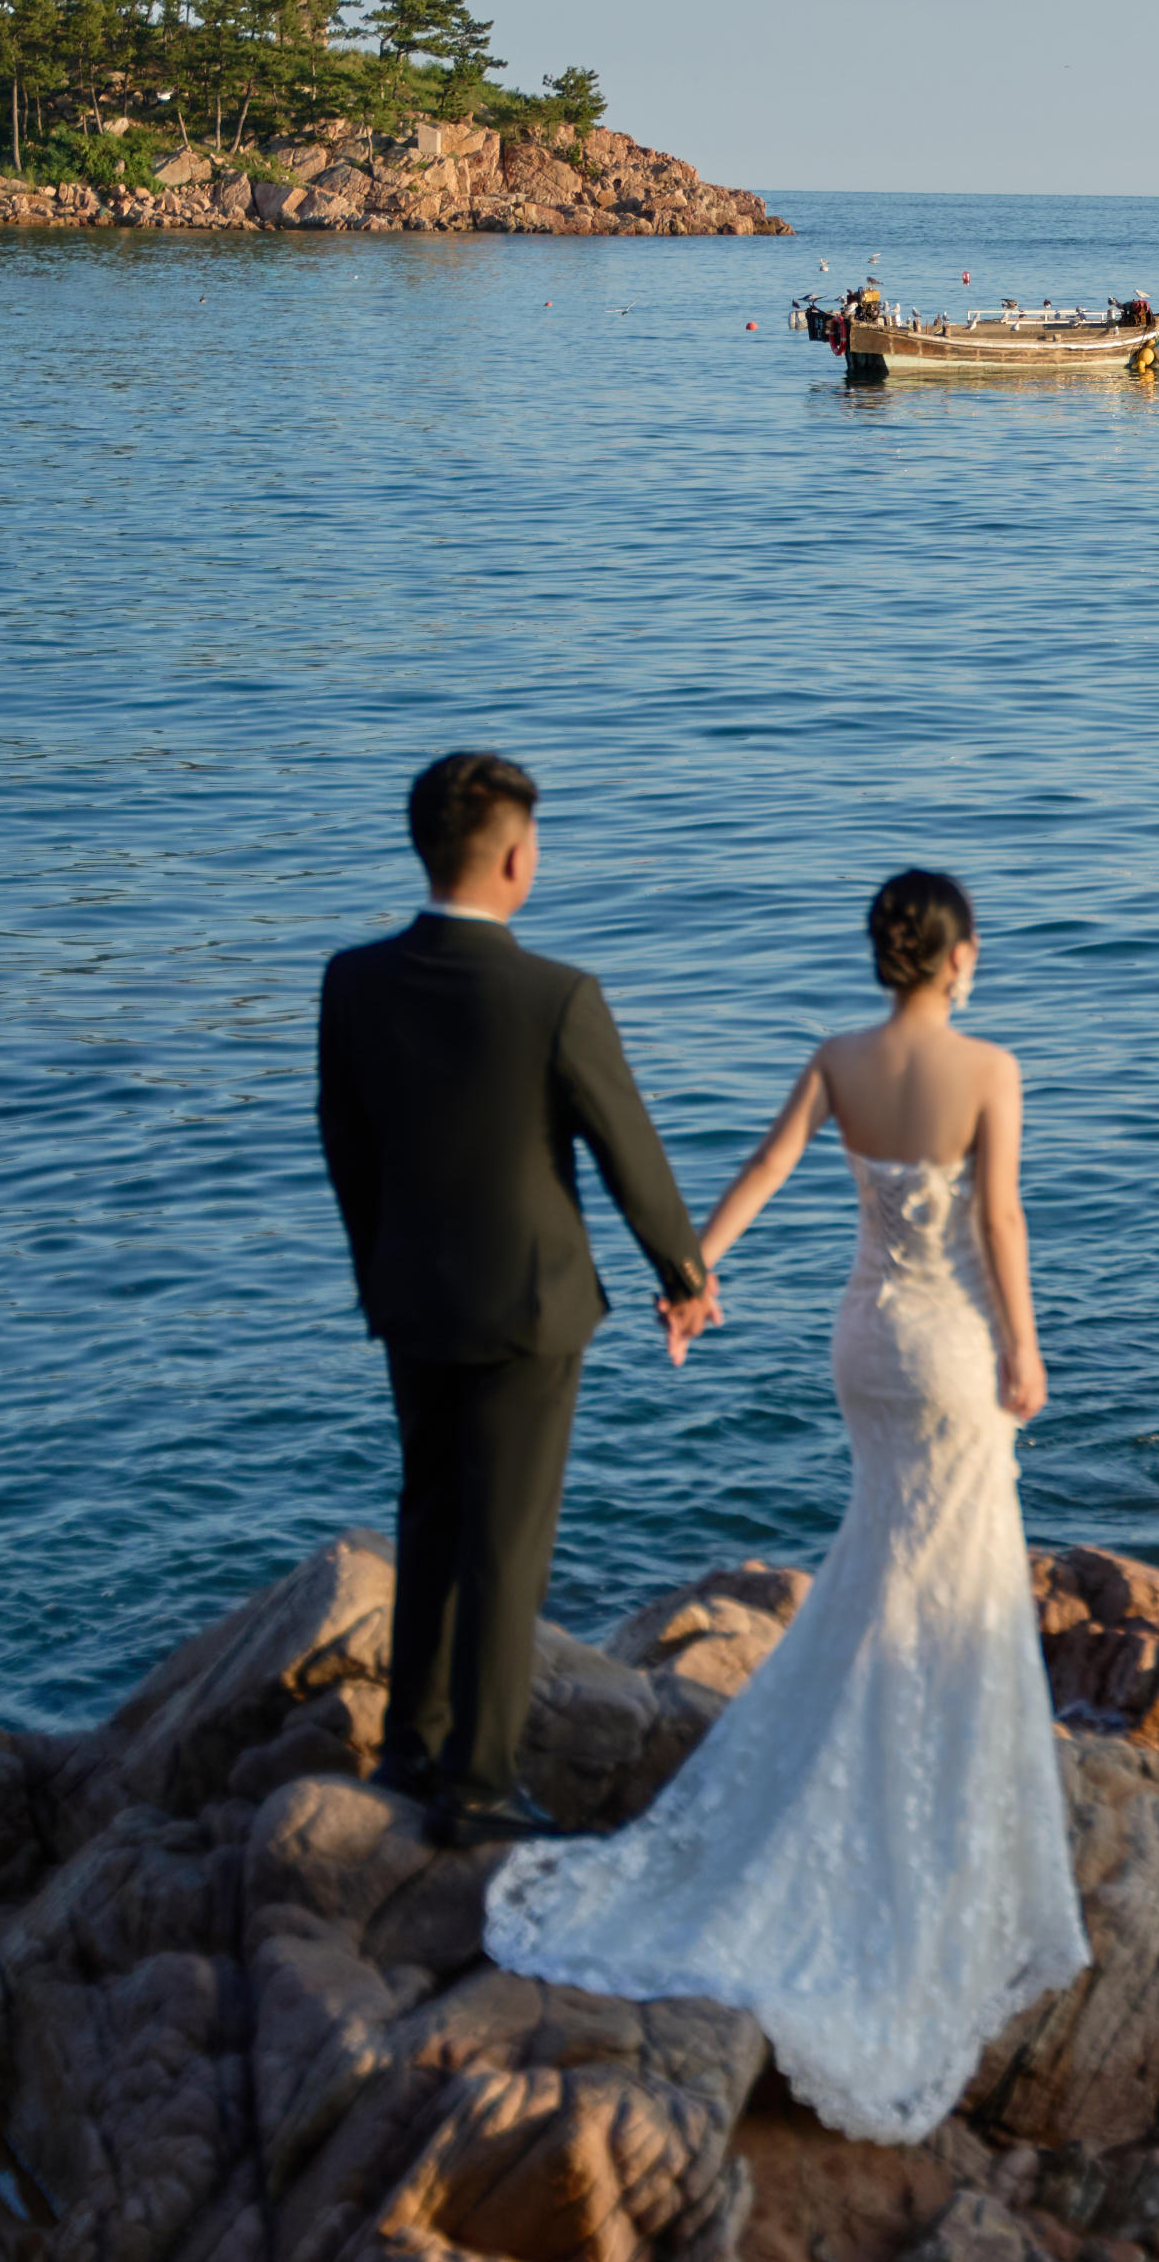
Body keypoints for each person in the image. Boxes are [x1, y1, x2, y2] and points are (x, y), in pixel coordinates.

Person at [482, 869, 1087, 2144]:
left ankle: (847, 1773)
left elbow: (765, 1168)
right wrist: (1027, 1353)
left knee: (880, 1563)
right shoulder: (992, 1068)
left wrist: (692, 1280)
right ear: (961, 956)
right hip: (952, 1350)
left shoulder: (835, 1058)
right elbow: (1001, 1215)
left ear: (886, 957)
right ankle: (924, 1828)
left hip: (865, 1344)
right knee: (952, 1586)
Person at [317, 752, 720, 1848]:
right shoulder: (557, 997)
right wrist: (683, 1276)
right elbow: (627, 1148)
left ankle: (410, 1750)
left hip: (410, 1293)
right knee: (506, 1542)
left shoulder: (352, 981)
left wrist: (381, 1269)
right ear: (511, 858)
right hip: (530, 1308)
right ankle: (479, 1785)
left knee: (430, 1516)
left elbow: (344, 1149)